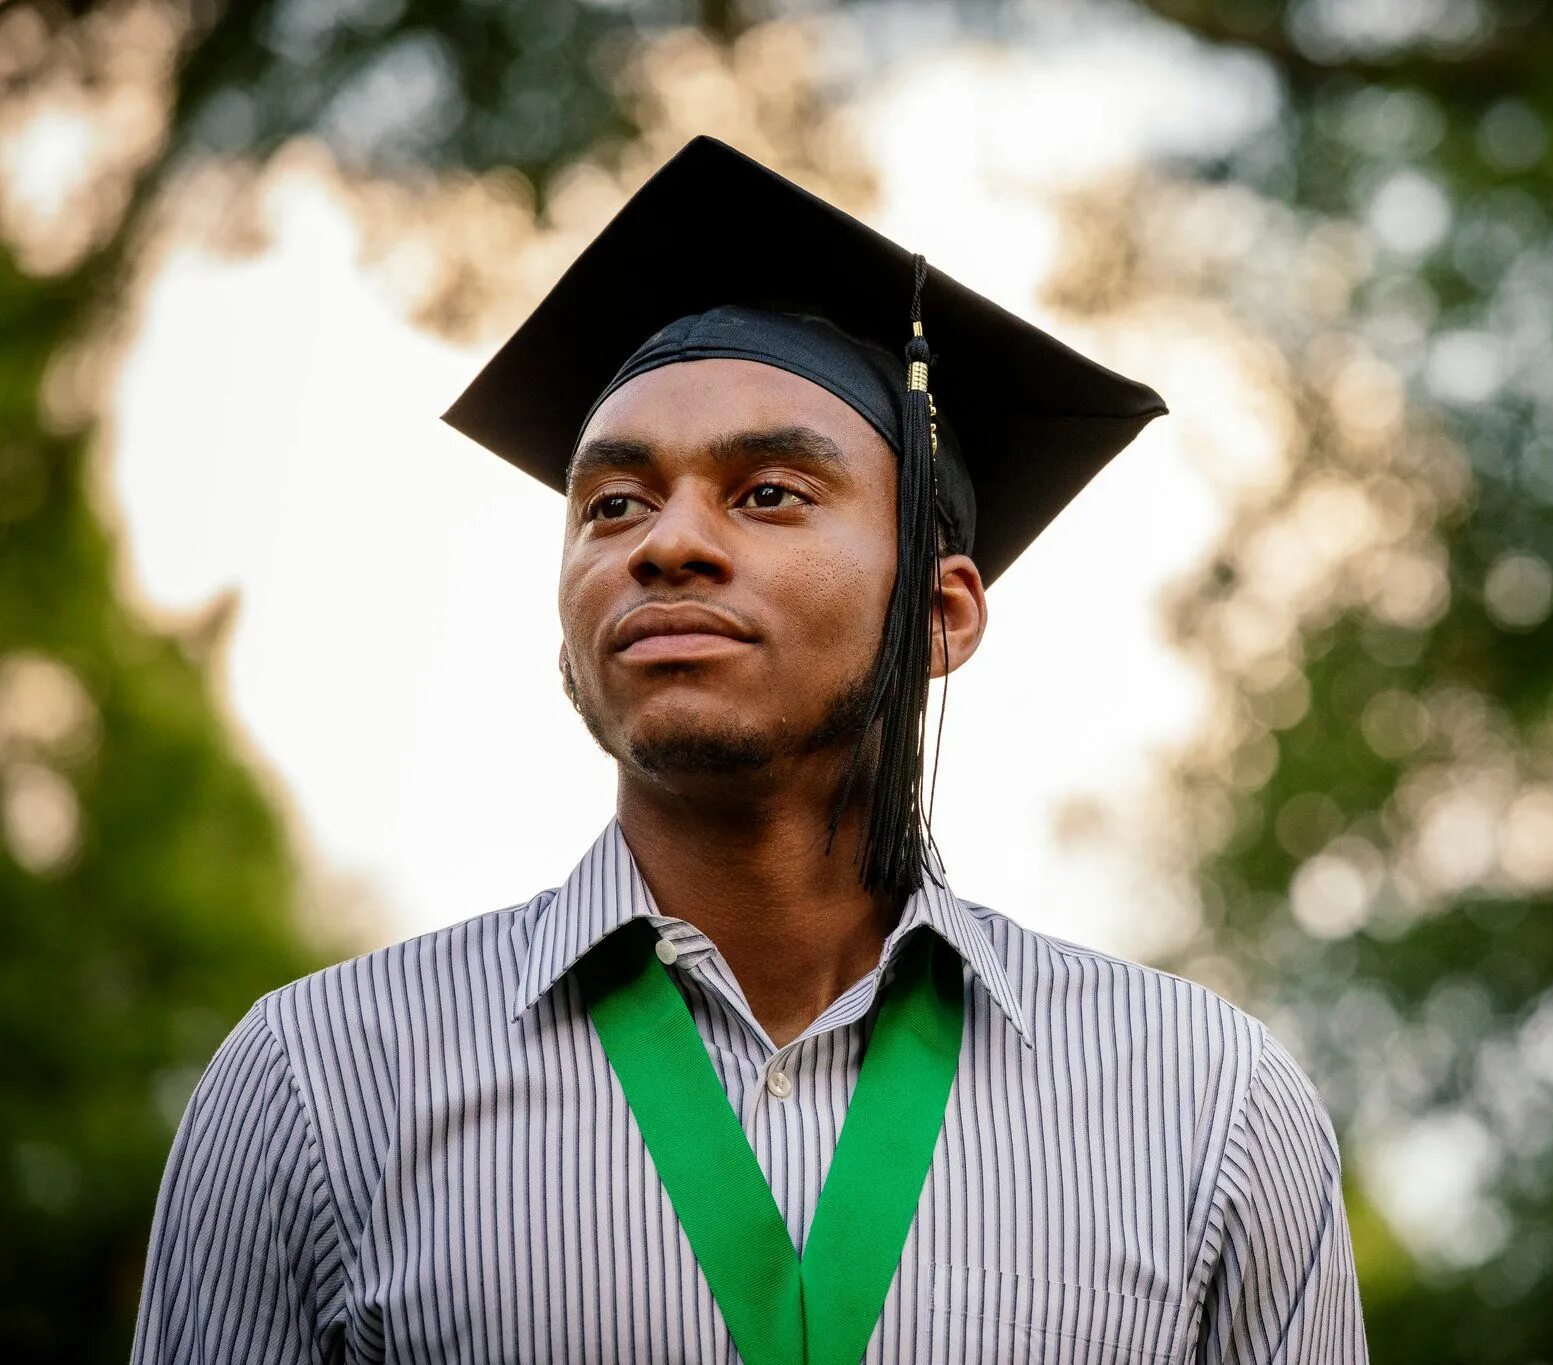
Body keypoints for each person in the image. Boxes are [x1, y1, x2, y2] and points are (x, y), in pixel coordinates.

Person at [129, 135, 1369, 1364]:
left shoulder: (1202, 1108)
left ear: (938, 616)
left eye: (767, 493)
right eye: (612, 503)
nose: (663, 543)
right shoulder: (316, 1088)